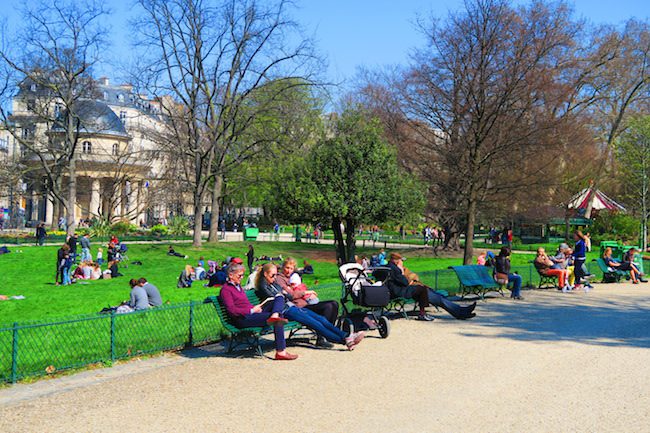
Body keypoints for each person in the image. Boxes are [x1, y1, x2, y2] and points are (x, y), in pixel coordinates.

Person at [256, 263, 364, 350]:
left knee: (321, 319)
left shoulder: (272, 284)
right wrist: (283, 293)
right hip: (286, 311)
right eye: (272, 275)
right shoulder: (263, 285)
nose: (275, 278)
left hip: (291, 307)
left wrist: (284, 293)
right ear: (265, 274)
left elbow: (287, 295)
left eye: (275, 275)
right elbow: (278, 297)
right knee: (316, 324)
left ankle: (346, 335)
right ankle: (345, 340)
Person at [219, 263, 298, 360]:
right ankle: (281, 352)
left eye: (243, 275)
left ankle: (275, 314)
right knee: (278, 319)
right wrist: (251, 310)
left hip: (251, 314)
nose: (242, 278)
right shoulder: (226, 290)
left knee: (278, 298)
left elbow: (244, 304)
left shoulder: (238, 287)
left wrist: (255, 307)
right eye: (239, 275)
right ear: (231, 275)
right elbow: (232, 310)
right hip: (242, 319)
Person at [386, 253, 476, 320]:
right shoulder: (395, 269)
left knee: (439, 297)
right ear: (396, 261)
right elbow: (405, 282)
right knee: (439, 299)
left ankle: (462, 311)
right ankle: (460, 313)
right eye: (401, 260)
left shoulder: (391, 267)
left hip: (411, 291)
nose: (402, 262)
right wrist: (401, 271)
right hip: (405, 292)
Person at [275, 257, 339, 324]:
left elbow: (299, 290)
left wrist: (308, 295)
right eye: (287, 268)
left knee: (334, 303)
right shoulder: (280, 279)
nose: (289, 271)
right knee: (329, 306)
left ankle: (330, 329)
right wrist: (306, 292)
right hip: (298, 308)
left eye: (291, 269)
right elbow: (291, 294)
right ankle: (325, 330)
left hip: (306, 303)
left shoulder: (293, 277)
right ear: (283, 267)